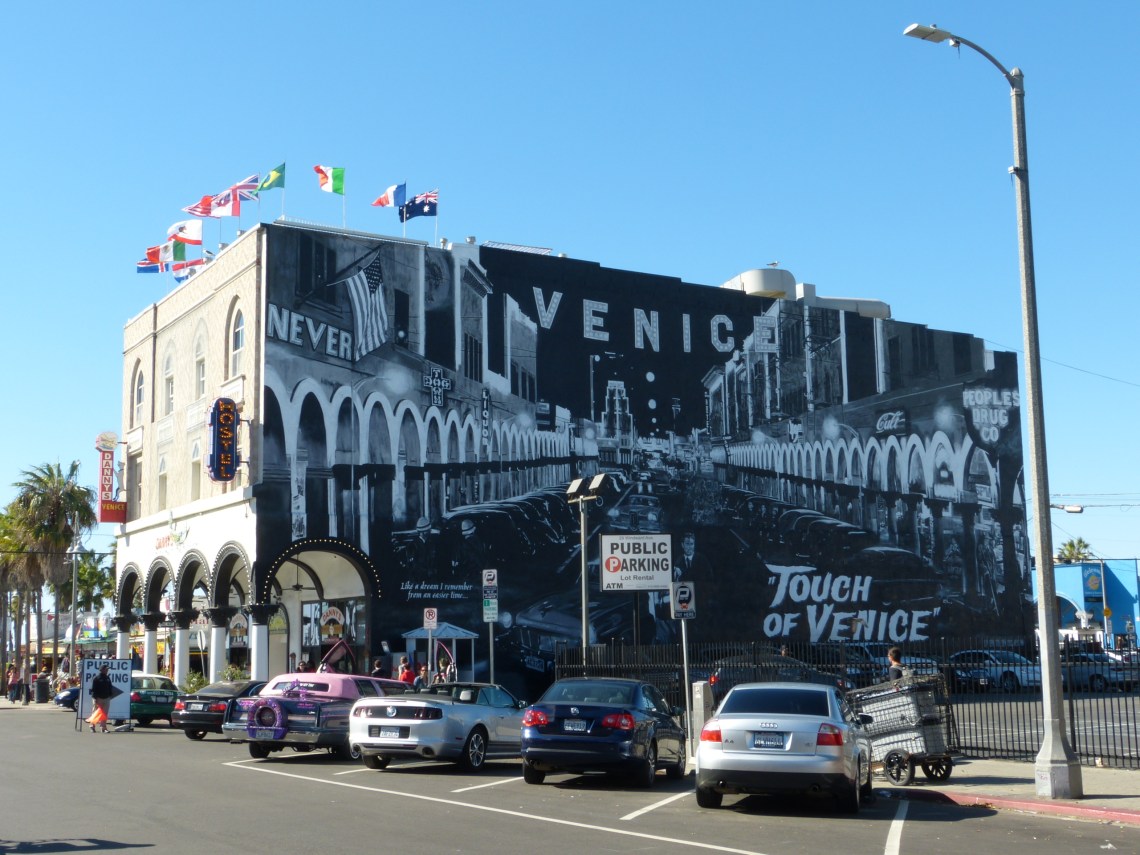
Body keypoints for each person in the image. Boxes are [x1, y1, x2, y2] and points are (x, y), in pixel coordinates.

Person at [89, 663, 113, 733]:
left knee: (104, 714)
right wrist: (95, 699)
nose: (107, 671)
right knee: (95, 713)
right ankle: (92, 726)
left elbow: (110, 687)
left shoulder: (107, 677)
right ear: (102, 670)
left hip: (106, 698)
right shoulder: (96, 678)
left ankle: (103, 728)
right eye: (106, 669)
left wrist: (110, 695)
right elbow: (93, 689)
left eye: (107, 669)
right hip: (98, 698)